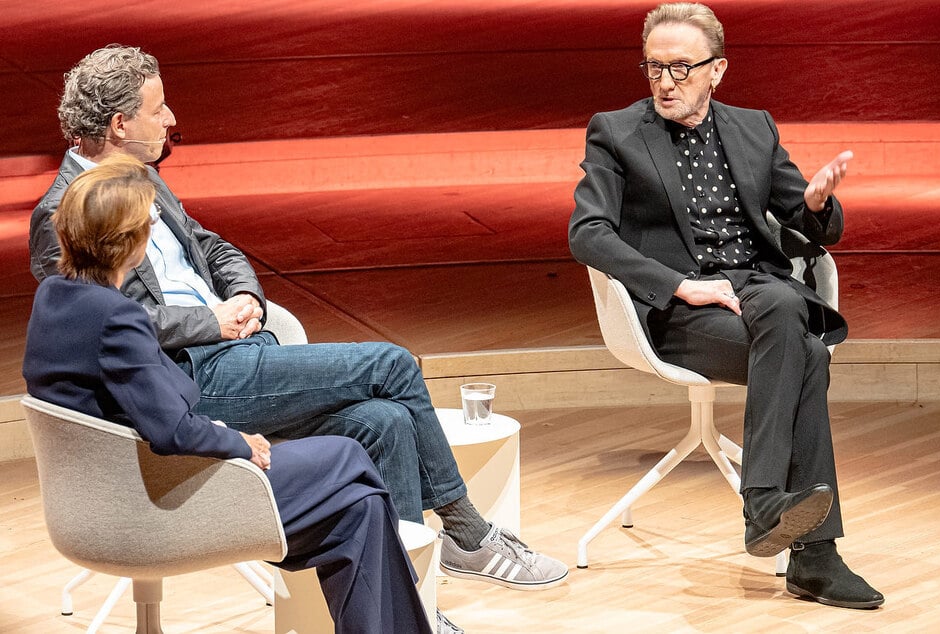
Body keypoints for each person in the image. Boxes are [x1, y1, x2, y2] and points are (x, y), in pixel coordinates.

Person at [29, 45, 568, 633]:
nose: (172, 119)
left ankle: (411, 605)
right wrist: (213, 324)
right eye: (159, 109)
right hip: (194, 378)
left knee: (384, 420)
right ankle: (467, 532)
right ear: (120, 123)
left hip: (238, 348)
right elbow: (101, 322)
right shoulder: (65, 209)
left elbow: (211, 247)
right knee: (392, 364)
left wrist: (246, 299)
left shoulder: (143, 177)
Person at [22, 154, 432, 633]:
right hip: (161, 500)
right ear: (130, 243)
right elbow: (171, 429)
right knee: (348, 455)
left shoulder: (54, 298)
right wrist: (240, 442)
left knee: (359, 511)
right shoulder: (117, 317)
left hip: (103, 497)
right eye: (149, 221)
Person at [569, 2, 883, 610]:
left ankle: (790, 532)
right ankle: (804, 545)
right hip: (683, 311)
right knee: (799, 334)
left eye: (682, 68)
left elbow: (809, 221)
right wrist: (679, 285)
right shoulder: (616, 131)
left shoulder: (753, 128)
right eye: (654, 67)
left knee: (794, 329)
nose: (665, 82)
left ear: (718, 70)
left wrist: (816, 203)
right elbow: (588, 233)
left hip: (758, 297)